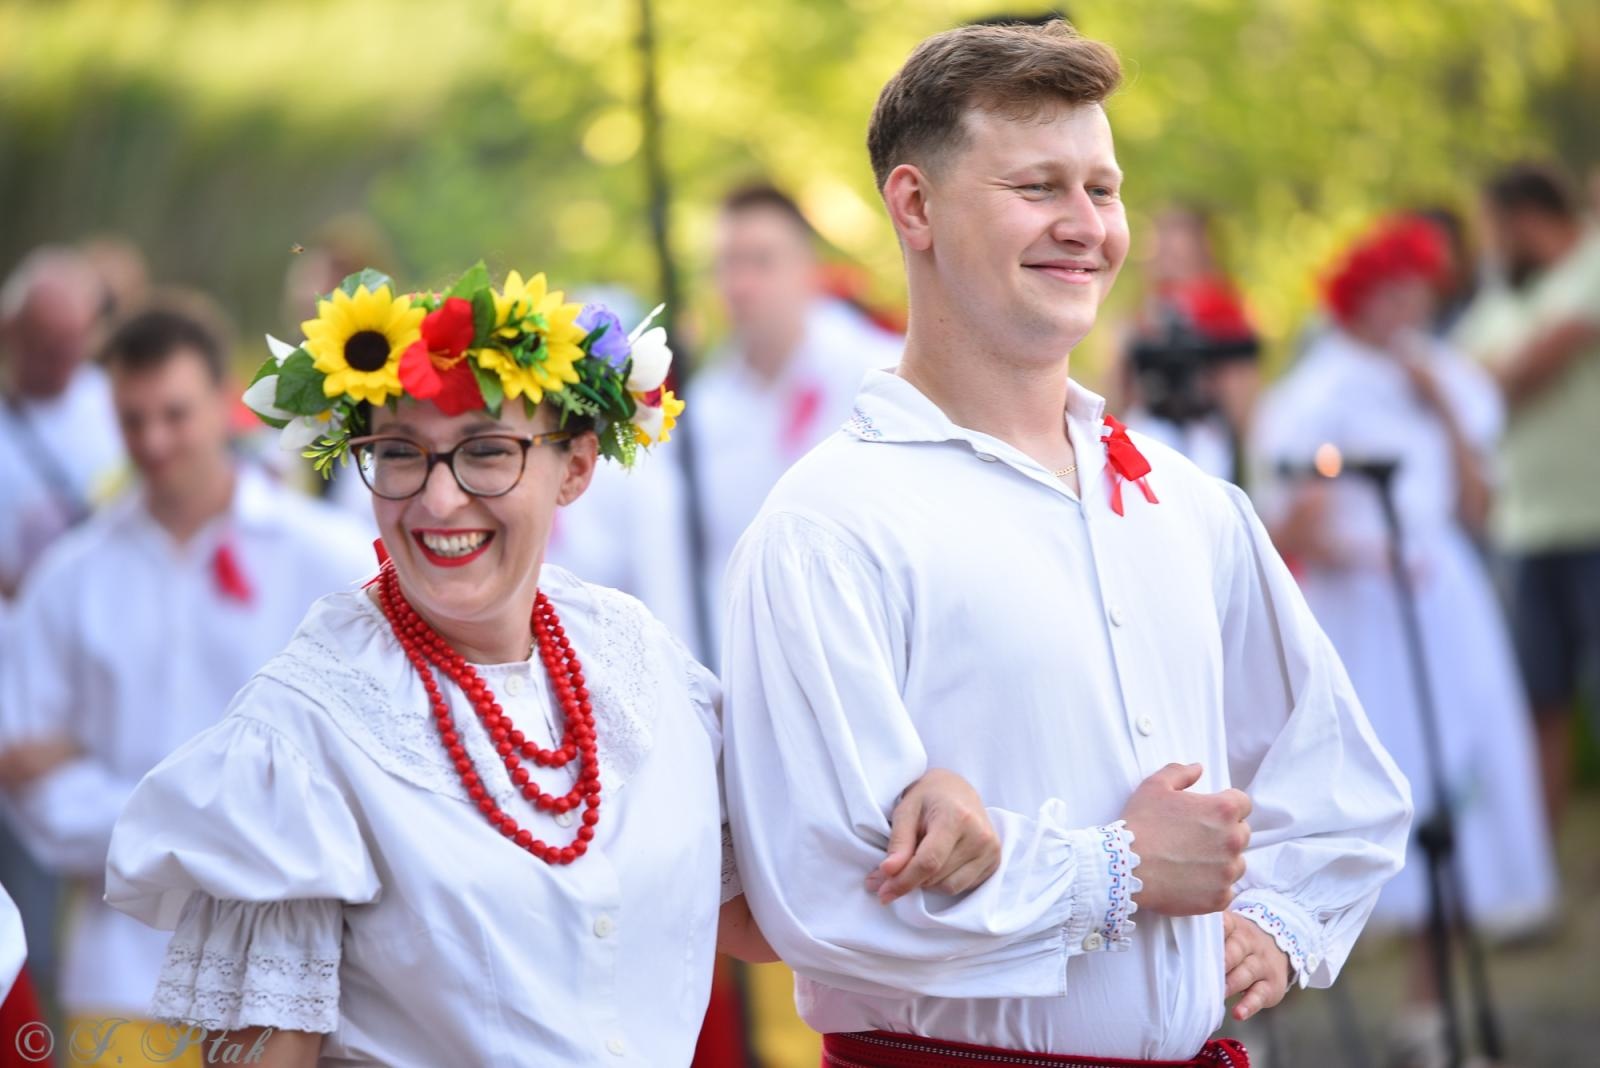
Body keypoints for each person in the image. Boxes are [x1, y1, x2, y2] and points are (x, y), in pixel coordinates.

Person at [720, 20, 1412, 1066]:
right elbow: (818, 896)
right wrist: (1119, 868)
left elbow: (1341, 786)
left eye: (1102, 188)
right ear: (914, 206)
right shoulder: (828, 527)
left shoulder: (1187, 503)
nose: (1085, 225)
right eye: (1037, 187)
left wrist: (1277, 922)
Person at [103, 265, 1000, 1066]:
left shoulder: (634, 659)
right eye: (400, 453)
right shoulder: (303, 739)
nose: (439, 496)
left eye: (488, 450)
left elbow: (769, 911)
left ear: (573, 467)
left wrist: (931, 801)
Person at [0, 297, 373, 1065]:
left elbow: (368, 762)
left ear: (224, 399)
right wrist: (247, 828)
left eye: (174, 413)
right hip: (124, 978)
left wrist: (142, 820)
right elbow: (26, 776)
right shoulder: (70, 578)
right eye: (132, 419)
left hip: (303, 976)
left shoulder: (329, 557)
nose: (154, 440)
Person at [1253, 217, 1557, 1064]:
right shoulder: (1315, 390)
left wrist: (1441, 410)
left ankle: (1430, 1009)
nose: (1410, 308)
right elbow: (1289, 522)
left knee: (1457, 779)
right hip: (1361, 611)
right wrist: (1345, 540)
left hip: (1444, 603)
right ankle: (1302, 976)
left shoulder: (1446, 376)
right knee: (1364, 782)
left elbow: (1478, 507)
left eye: (1421, 293)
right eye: (1394, 292)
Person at [686, 183, 904, 656]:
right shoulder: (702, 411)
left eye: (762, 261)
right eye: (728, 264)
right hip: (749, 663)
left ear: (808, 269)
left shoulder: (883, 375)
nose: (741, 284)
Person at [1452, 162, 1600, 835]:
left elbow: (1529, 366)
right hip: (1523, 529)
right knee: (1538, 700)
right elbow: (1461, 381)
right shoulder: (1506, 297)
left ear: (1526, 218)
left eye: (1497, 228)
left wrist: (1498, 375)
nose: (1490, 244)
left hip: (1591, 521)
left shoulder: (1592, 266)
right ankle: (1541, 866)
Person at [0, 245, 125, 599]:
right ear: (9, 329)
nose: (63, 361)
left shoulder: (117, 402)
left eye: (75, 343)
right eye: (48, 346)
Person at [1118, 205, 1261, 484]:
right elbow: (1126, 378)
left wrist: (1244, 438)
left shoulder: (1221, 305)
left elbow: (1239, 382)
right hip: (1152, 422)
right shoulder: (1148, 305)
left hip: (1202, 427)